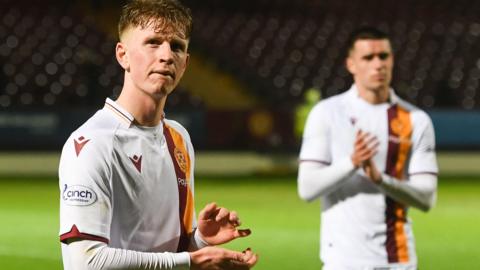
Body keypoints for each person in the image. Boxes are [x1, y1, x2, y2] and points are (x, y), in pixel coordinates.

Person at [58, 1, 258, 269]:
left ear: (185, 63)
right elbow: (85, 262)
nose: (166, 55)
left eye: (177, 46)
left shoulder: (179, 137)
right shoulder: (92, 143)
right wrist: (192, 261)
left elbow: (174, 254)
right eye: (153, 42)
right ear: (122, 55)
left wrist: (199, 242)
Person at [297, 26, 438, 270]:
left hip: (398, 260)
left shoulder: (415, 119)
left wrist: (380, 179)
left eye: (384, 56)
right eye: (368, 57)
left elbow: (426, 198)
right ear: (351, 64)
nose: (378, 64)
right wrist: (352, 162)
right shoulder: (327, 113)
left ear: (392, 60)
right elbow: (307, 188)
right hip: (342, 261)